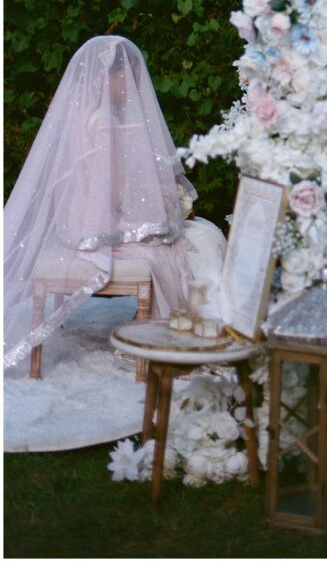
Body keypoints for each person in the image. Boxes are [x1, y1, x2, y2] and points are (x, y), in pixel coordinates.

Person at [3, 35, 227, 369]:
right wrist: (164, 214)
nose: (133, 83)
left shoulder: (92, 116)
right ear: (109, 77)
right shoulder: (105, 123)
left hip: (90, 218)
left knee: (200, 235)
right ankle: (209, 328)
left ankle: (210, 322)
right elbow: (113, 194)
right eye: (128, 75)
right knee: (204, 241)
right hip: (100, 223)